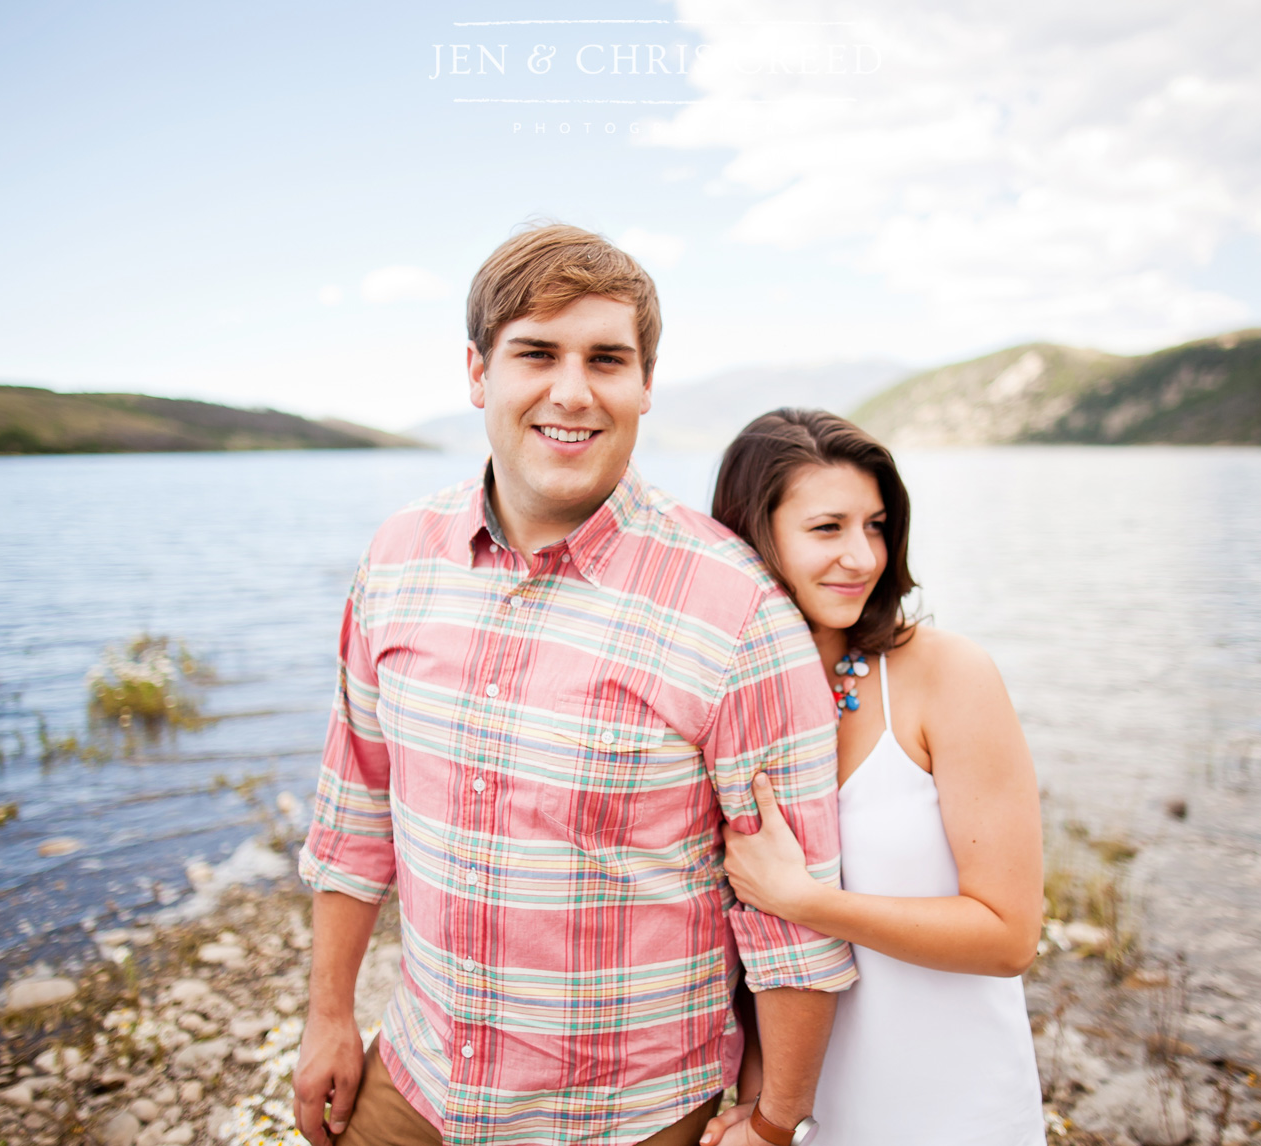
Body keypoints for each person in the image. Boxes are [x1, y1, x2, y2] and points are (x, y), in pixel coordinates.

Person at [292, 227, 857, 1146]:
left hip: (622, 1118)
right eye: (536, 353)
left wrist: (775, 1120)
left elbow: (790, 917)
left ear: (644, 383)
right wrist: (328, 1016)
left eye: (606, 358)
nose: (571, 391)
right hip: (415, 1081)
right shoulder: (397, 560)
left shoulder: (736, 610)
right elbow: (354, 814)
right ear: (478, 374)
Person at [702, 409, 1046, 1146]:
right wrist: (765, 1115)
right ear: (751, 535)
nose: (863, 557)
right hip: (805, 1113)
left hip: (956, 1108)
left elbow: (1009, 936)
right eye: (828, 528)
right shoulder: (727, 698)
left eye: (877, 526)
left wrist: (807, 900)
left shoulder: (947, 675)